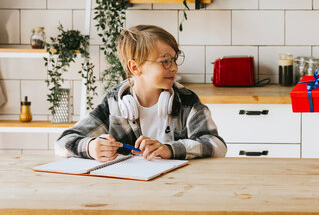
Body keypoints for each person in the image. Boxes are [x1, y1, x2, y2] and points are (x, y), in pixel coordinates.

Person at [56, 25, 227, 161]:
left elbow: (217, 145)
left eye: (174, 59)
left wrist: (170, 149)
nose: (174, 67)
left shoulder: (187, 101)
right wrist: (91, 147)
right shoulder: (114, 104)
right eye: (165, 61)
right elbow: (62, 143)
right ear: (135, 67)